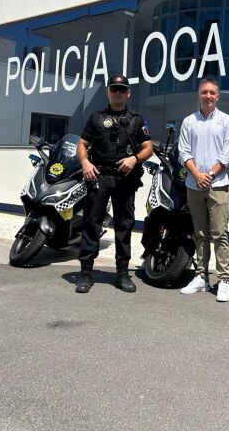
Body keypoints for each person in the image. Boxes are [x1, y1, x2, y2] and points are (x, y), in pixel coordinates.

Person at [75, 75, 153, 294]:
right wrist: (85, 162)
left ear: (128, 93)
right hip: (99, 175)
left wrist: (134, 159)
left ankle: (122, 274)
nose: (117, 92)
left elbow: (148, 148)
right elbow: (82, 144)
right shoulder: (95, 118)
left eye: (122, 89)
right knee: (92, 222)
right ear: (107, 92)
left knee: (124, 224)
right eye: (114, 89)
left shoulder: (137, 119)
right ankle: (86, 273)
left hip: (125, 178)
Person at [177, 78, 229, 302]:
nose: (208, 96)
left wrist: (209, 175)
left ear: (218, 96)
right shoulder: (188, 122)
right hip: (194, 185)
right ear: (198, 95)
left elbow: (228, 154)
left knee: (219, 233)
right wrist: (197, 174)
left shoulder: (227, 121)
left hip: (217, 185)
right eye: (204, 92)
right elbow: (183, 151)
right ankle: (202, 277)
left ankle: (224, 280)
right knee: (200, 234)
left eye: (212, 92)